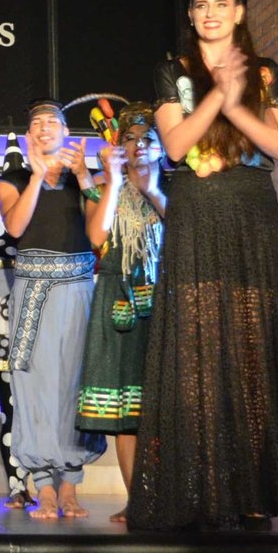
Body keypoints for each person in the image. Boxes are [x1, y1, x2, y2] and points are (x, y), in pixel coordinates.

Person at [128, 0, 278, 531]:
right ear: (191, 15)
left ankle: (252, 491)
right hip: (198, 211)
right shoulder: (173, 72)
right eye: (201, 5)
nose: (210, 13)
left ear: (239, 12)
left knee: (252, 348)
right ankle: (202, 489)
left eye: (221, 4)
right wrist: (215, 96)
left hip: (253, 212)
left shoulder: (265, 71)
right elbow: (176, 145)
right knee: (199, 350)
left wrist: (235, 100)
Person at [0, 100, 106, 519]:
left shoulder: (84, 180)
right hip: (32, 289)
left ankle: (71, 486)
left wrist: (84, 176)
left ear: (66, 132)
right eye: (37, 123)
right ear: (29, 136)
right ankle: (43, 486)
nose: (45, 128)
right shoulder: (13, 179)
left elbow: (98, 234)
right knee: (34, 385)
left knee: (77, 382)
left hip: (77, 287)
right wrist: (38, 176)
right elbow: (15, 227)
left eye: (53, 122)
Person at [74, 104, 165, 522]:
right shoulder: (100, 189)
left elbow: (185, 230)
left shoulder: (177, 188)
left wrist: (151, 189)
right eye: (130, 138)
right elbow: (97, 237)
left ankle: (171, 497)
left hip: (164, 300)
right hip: (117, 300)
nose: (139, 145)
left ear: (163, 147)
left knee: (164, 407)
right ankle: (139, 500)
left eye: (148, 138)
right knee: (127, 413)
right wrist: (113, 180)